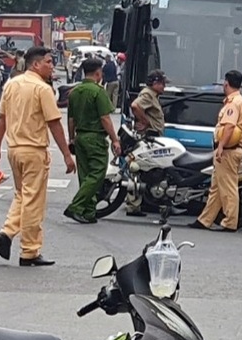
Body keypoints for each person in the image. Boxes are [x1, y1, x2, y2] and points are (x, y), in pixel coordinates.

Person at [0, 46, 76, 266]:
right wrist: (67, 154)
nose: (51, 66)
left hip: (14, 150)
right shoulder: (42, 89)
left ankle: (8, 231)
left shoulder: (11, 84)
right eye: (48, 62)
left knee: (22, 195)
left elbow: (2, 118)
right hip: (34, 150)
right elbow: (54, 123)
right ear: (36, 64)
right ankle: (29, 251)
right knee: (33, 202)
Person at [190, 70, 242, 232]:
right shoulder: (241, 101)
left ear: (226, 83)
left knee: (228, 187)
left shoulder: (233, 103)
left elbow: (229, 126)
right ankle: (205, 220)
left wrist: (220, 147)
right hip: (232, 150)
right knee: (216, 188)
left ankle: (230, 222)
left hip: (228, 151)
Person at [63, 57, 121, 224]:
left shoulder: (75, 92)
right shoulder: (98, 91)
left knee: (85, 174)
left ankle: (89, 211)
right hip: (95, 137)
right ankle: (76, 206)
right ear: (98, 73)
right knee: (97, 174)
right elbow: (105, 118)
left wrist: (72, 138)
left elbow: (71, 119)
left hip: (80, 137)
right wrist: (114, 139)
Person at [124, 69, 168, 217]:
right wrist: (145, 121)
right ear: (155, 83)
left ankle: (146, 202)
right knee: (139, 171)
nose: (164, 87)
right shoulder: (148, 94)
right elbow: (135, 106)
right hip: (148, 137)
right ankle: (133, 205)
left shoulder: (152, 94)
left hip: (154, 137)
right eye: (162, 84)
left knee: (151, 171)